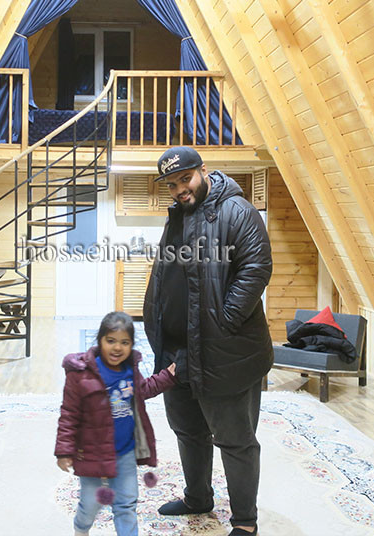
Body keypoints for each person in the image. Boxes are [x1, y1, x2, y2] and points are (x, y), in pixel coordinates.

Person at [143, 146, 273, 536]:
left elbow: (256, 268)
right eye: (172, 184)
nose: (180, 188)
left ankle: (245, 522)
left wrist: (223, 320)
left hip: (223, 350)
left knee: (234, 440)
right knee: (188, 430)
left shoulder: (238, 211)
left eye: (186, 178)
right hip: (177, 351)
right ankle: (197, 498)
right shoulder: (178, 216)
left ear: (203, 171)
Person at [55, 311, 177, 536]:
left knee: (126, 503)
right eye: (111, 341)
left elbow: (144, 389)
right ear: (99, 340)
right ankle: (81, 528)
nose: (117, 348)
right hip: (91, 452)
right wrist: (64, 450)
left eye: (124, 342)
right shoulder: (80, 375)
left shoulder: (130, 371)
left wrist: (167, 377)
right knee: (90, 504)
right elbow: (69, 414)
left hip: (125, 452)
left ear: (131, 345)